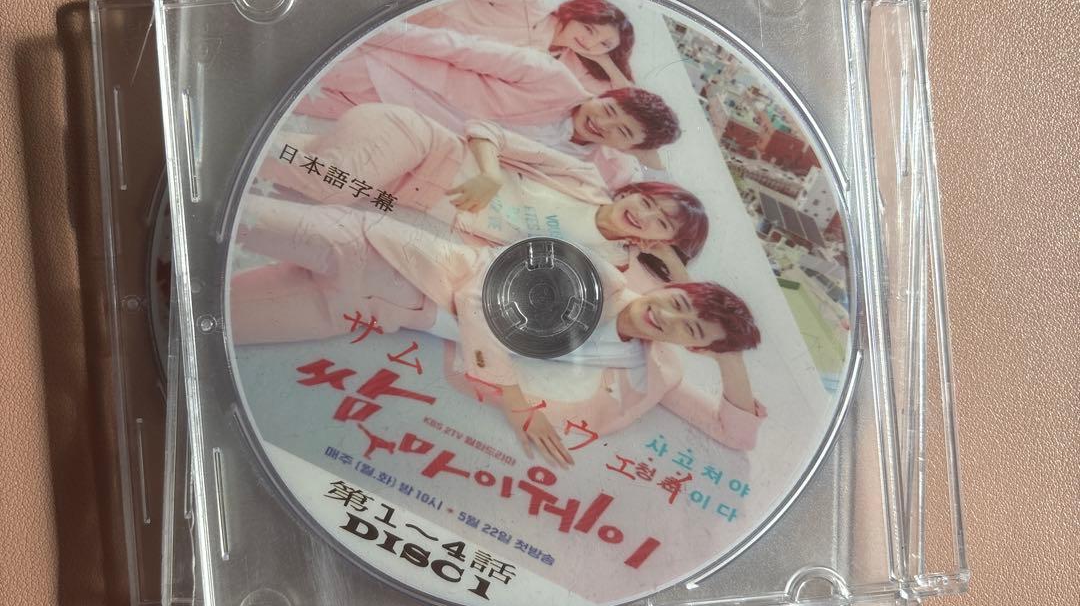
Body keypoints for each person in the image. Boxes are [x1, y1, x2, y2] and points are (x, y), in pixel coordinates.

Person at [231, 202, 765, 468]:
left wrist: (730, 351)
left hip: (369, 311)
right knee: (220, 218)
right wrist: (514, 400)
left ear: (696, 348)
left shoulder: (655, 371)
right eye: (678, 304)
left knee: (211, 323)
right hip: (378, 252)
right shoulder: (598, 275)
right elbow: (479, 298)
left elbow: (736, 434)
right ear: (672, 288)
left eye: (690, 330)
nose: (668, 319)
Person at [260, 102, 705, 275]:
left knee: (296, 161)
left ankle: (236, 147)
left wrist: (668, 256)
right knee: (330, 186)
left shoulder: (607, 264)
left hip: (396, 190)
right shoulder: (584, 179)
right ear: (633, 192)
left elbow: (681, 301)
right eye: (649, 201)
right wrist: (490, 175)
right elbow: (486, 128)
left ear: (657, 242)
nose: (644, 213)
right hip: (419, 143)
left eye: (660, 223)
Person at [293, 21, 671, 186]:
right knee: (289, 75)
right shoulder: (552, 77)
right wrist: (362, 32)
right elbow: (457, 47)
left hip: (398, 128)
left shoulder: (587, 163)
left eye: (622, 132)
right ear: (603, 95)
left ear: (630, 148)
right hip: (386, 75)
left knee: (282, 112)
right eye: (609, 110)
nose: (604, 124)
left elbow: (660, 185)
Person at [407, 0, 636, 93]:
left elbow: (627, 100)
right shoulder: (534, 4)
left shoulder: (568, 63)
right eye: (589, 29)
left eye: (604, 44)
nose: (590, 42)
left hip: (435, 63)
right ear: (575, 14)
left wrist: (605, 61)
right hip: (423, 21)